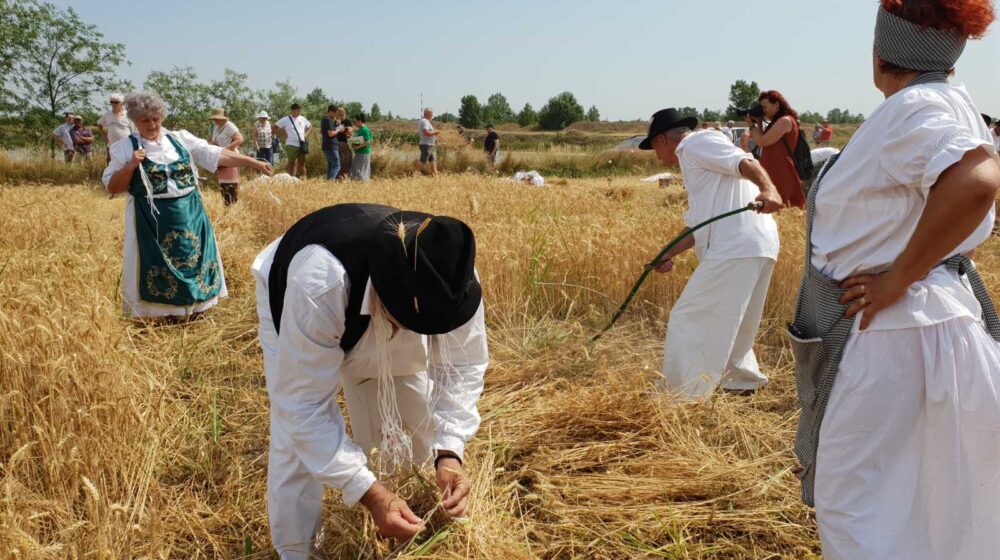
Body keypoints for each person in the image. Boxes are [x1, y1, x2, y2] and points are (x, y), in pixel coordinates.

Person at [786, 2, 1000, 558]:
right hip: (942, 324)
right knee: (947, 498)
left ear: (882, 54)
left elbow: (976, 182)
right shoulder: (954, 101)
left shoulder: (914, 106)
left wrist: (899, 276)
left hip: (887, 332)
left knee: (857, 501)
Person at [251, 203, 488, 558]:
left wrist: (450, 452)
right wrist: (369, 494)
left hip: (365, 295)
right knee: (292, 439)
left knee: (411, 395)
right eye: (404, 320)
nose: (405, 333)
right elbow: (303, 407)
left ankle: (420, 497)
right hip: (289, 289)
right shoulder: (320, 282)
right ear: (383, 288)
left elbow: (462, 367)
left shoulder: (453, 280)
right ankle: (299, 550)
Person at [637, 108, 782, 398]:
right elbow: (698, 226)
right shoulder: (696, 165)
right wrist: (666, 253)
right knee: (734, 320)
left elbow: (743, 159)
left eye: (653, 147)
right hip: (756, 243)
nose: (656, 156)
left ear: (663, 140)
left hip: (736, 244)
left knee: (689, 317)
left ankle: (679, 396)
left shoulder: (695, 143)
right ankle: (739, 382)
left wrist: (768, 189)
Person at [102, 92, 272, 320]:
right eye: (145, 120)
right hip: (151, 220)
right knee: (158, 264)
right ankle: (163, 315)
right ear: (134, 121)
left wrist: (253, 162)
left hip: (190, 213)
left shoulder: (179, 138)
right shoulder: (124, 147)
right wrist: (132, 165)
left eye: (156, 118)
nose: (152, 124)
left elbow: (218, 155)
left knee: (193, 258)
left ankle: (196, 309)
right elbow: (113, 187)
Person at [747, 90, 806, 209]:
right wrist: (758, 121)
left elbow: (762, 141)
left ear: (776, 105)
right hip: (774, 170)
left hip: (781, 172)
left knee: (783, 208)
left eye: (765, 107)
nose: (764, 111)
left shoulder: (785, 121)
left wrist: (751, 125)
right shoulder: (777, 122)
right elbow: (763, 140)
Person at [208, 108, 244, 206]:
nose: (215, 120)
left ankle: (233, 206)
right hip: (221, 158)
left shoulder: (230, 126)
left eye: (217, 118)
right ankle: (227, 206)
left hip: (231, 157)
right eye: (214, 119)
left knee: (231, 183)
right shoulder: (216, 127)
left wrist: (226, 149)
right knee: (223, 183)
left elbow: (239, 139)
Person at [274, 103, 312, 179]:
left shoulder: (302, 118)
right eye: (298, 111)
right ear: (293, 110)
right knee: (291, 164)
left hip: (302, 145)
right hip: (291, 145)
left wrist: (306, 135)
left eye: (300, 111)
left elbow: (310, 126)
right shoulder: (285, 119)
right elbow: (274, 127)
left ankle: (304, 181)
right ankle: (289, 181)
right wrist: (282, 135)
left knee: (302, 164)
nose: (299, 112)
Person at [97, 93, 135, 162]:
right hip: (111, 146)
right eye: (111, 102)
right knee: (111, 165)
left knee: (125, 164)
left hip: (125, 146)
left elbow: (133, 131)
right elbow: (99, 125)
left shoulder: (128, 115)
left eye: (116, 102)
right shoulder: (107, 114)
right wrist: (104, 137)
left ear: (122, 104)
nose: (113, 104)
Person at [320, 105, 342, 180]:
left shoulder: (326, 120)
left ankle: (328, 182)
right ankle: (330, 181)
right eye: (336, 114)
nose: (337, 116)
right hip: (331, 146)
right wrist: (338, 129)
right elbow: (330, 133)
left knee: (330, 165)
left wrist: (336, 125)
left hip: (328, 145)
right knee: (336, 165)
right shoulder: (327, 120)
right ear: (332, 112)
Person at [349, 113, 373, 181]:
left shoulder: (365, 130)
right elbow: (359, 139)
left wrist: (358, 147)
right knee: (357, 169)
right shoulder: (360, 129)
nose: (354, 124)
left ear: (359, 121)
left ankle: (363, 184)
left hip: (363, 153)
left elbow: (367, 141)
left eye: (355, 122)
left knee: (361, 170)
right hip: (359, 152)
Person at [417, 108, 440, 176]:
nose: (432, 114)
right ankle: (414, 174)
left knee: (433, 160)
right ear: (427, 113)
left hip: (428, 144)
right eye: (431, 113)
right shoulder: (425, 121)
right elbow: (426, 132)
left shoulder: (424, 121)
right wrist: (435, 132)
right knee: (423, 161)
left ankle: (435, 175)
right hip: (426, 144)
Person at [335, 107, 354, 180]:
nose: (340, 116)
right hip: (337, 143)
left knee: (346, 161)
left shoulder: (347, 121)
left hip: (345, 143)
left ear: (344, 114)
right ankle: (339, 177)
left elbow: (349, 130)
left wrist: (340, 127)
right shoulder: (335, 122)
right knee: (339, 161)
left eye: (341, 114)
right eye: (339, 114)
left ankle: (345, 176)